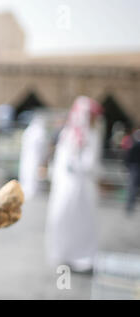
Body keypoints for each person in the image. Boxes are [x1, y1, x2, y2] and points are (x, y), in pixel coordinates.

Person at [45, 96, 104, 272]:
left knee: (79, 223)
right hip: (70, 187)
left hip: (80, 189)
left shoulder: (86, 135)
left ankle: (80, 256)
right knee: (63, 220)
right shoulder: (72, 135)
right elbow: (87, 164)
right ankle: (64, 254)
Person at [19, 113, 48, 200]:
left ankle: (31, 190)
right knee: (27, 171)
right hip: (30, 155)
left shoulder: (37, 131)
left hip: (34, 156)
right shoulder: (34, 131)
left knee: (32, 172)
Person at [125, 129, 140, 214]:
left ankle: (129, 206)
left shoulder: (134, 145)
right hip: (134, 167)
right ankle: (130, 206)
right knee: (133, 188)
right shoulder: (135, 145)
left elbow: (128, 156)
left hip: (133, 168)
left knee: (132, 188)